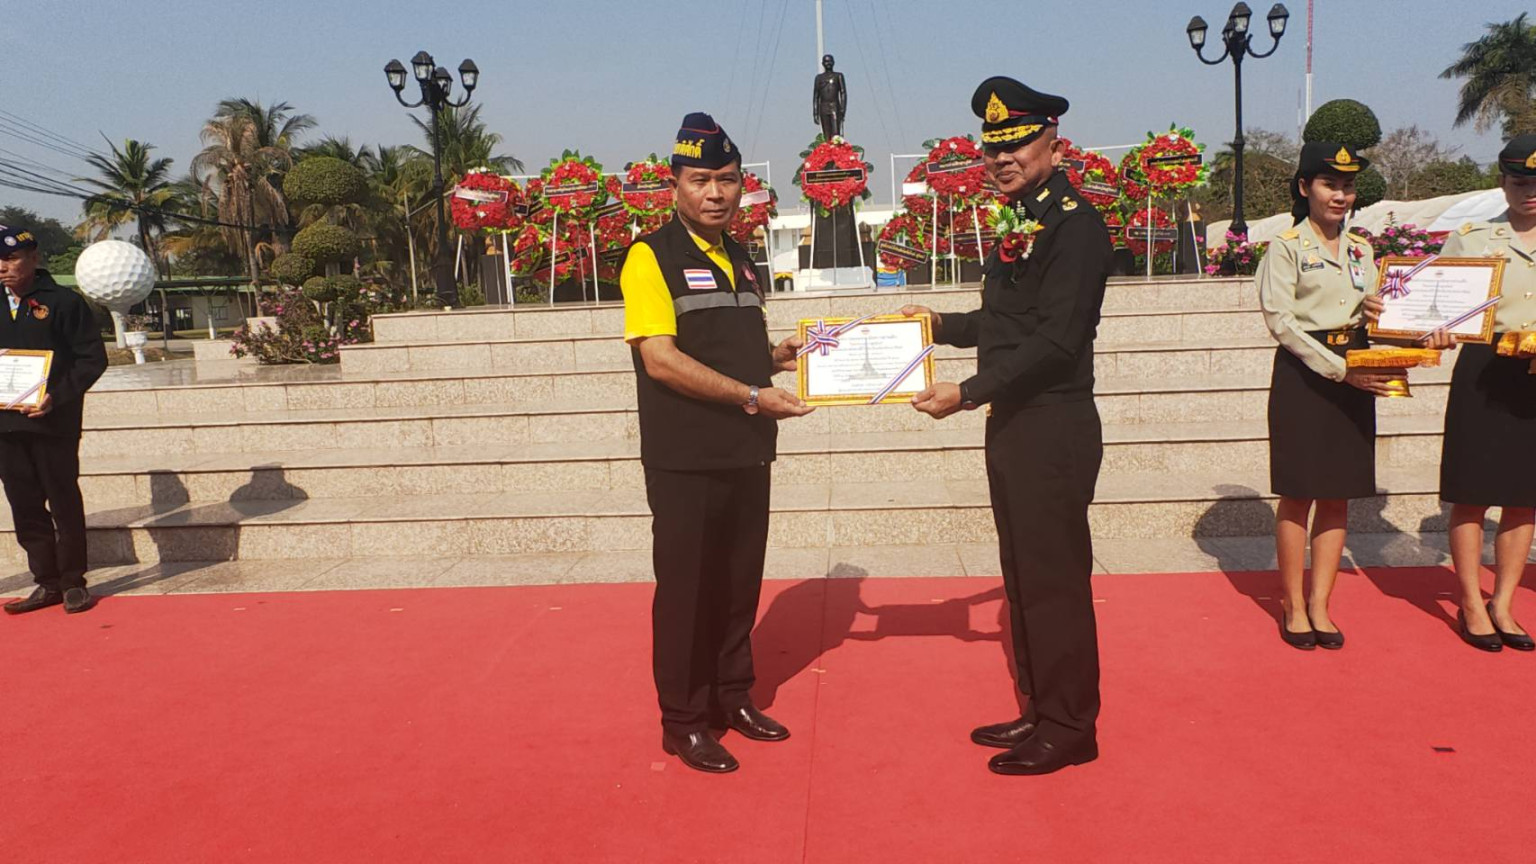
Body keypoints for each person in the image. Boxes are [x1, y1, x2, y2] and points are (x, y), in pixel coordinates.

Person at [901, 77, 1111, 776]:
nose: (1002, 158)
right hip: (1016, 422)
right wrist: (937, 324)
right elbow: (1004, 322)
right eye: (993, 147)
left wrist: (966, 393)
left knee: (1055, 582)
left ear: (1054, 144)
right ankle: (1041, 707)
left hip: (1053, 424)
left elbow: (1055, 342)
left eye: (1017, 144)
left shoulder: (1075, 227)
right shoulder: (1026, 218)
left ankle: (1071, 727)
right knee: (1023, 576)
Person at [620, 113, 813, 773]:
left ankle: (733, 696)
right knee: (687, 592)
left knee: (737, 585)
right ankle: (684, 720)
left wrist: (776, 358)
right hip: (687, 457)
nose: (715, 193)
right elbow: (661, 359)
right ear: (674, 185)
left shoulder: (740, 256)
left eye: (726, 180)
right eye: (700, 180)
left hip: (747, 449)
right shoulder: (650, 256)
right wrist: (753, 395)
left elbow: (728, 348)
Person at [1257, 143, 1452, 651]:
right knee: (1298, 493)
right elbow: (1281, 321)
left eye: (1347, 186)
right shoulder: (1286, 248)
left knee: (1337, 495)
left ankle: (1321, 604)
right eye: (1329, 184)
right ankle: (1293, 603)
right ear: (1305, 187)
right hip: (1307, 375)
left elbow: (1378, 316)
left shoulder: (1362, 250)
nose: (1340, 195)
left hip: (1356, 371)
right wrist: (1340, 370)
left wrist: (1423, 334)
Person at [1438, 133, 1536, 653]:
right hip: (1483, 368)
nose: (1530, 193)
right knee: (1472, 492)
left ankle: (1503, 603)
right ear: (1502, 183)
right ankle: (1471, 605)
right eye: (1520, 182)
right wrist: (1435, 328)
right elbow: (1439, 305)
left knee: (1524, 498)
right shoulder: (1473, 238)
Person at [0, 224, 108, 615]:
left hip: (53, 422)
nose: (3, 267)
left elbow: (91, 359)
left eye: (11, 258)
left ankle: (73, 581)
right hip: (6, 426)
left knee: (63, 501)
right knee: (24, 504)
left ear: (34, 258)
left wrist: (55, 398)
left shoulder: (63, 302)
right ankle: (46, 582)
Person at [812, 55, 846, 141]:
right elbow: (816, 96)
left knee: (836, 133)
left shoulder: (838, 76)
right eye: (826, 62)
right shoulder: (819, 78)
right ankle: (828, 148)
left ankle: (836, 148)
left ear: (833, 62)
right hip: (823, 107)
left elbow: (843, 93)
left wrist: (842, 109)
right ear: (823, 63)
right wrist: (815, 113)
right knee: (826, 134)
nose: (828, 63)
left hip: (835, 106)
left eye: (830, 61)